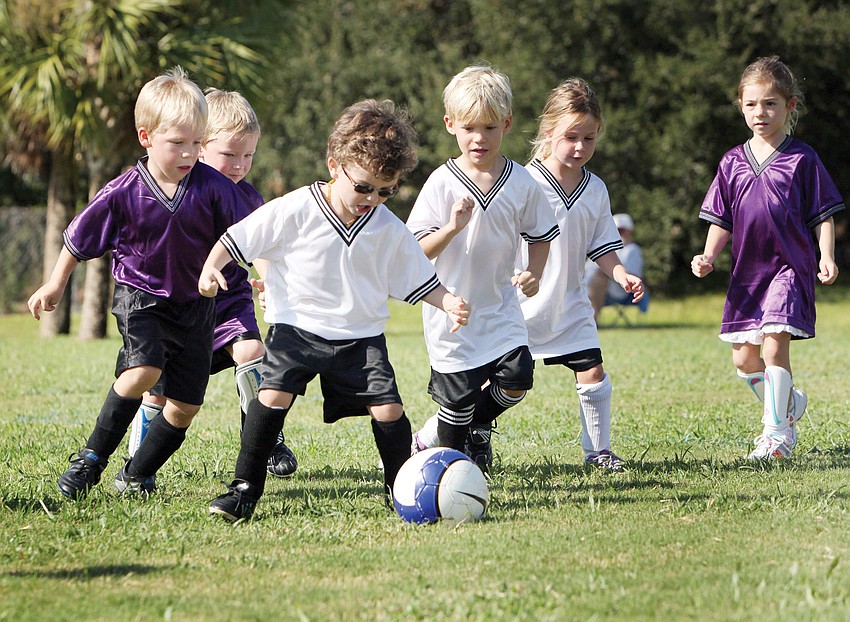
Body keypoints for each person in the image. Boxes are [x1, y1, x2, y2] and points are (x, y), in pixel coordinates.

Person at [199, 99, 470, 522]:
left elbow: (416, 276)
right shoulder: (296, 208)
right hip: (296, 330)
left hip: (361, 339)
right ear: (333, 164)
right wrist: (212, 267)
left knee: (389, 411)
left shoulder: (386, 228)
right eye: (362, 187)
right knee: (271, 396)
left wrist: (447, 300)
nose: (372, 199)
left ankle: (400, 488)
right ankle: (244, 490)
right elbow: (239, 239)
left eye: (386, 190)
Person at [27, 67, 252, 499]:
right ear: (146, 137)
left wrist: (264, 274)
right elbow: (78, 238)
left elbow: (248, 234)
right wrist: (55, 285)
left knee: (186, 406)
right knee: (143, 370)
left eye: (195, 144)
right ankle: (90, 459)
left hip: (197, 308)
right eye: (177, 144)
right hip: (141, 298)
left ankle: (137, 472)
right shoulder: (123, 191)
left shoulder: (214, 187)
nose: (189, 154)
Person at [127, 88, 298, 479]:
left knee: (253, 350)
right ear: (201, 147)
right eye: (229, 155)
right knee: (158, 389)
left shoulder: (248, 198)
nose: (239, 165)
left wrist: (271, 284)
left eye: (248, 155)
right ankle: (140, 460)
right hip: (180, 308)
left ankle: (264, 439)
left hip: (230, 301)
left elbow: (262, 250)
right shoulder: (177, 192)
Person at [406, 64, 559, 471]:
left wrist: (535, 272)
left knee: (517, 378)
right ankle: (448, 461)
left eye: (490, 127)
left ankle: (471, 428)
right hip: (451, 313)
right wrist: (452, 228)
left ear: (507, 124)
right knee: (455, 413)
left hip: (500, 308)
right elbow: (416, 250)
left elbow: (541, 235)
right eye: (470, 127)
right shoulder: (441, 182)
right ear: (450, 124)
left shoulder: (522, 182)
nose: (480, 138)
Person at [691, 56, 843, 460]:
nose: (761, 112)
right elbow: (721, 219)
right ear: (740, 105)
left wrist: (826, 255)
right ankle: (788, 405)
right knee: (744, 359)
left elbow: (822, 214)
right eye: (752, 104)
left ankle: (777, 437)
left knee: (776, 346)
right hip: (747, 274)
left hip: (789, 269)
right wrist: (707, 255)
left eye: (771, 103)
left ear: (790, 106)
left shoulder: (803, 159)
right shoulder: (731, 162)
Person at [520, 78, 644, 470]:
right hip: (518, 307)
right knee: (500, 382)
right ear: (548, 131)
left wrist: (621, 274)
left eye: (588, 138)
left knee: (592, 371)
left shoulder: (595, 189)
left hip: (570, 305)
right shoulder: (524, 182)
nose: (579, 147)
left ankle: (598, 451)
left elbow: (603, 246)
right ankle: (465, 438)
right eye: (571, 136)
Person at [586, 212, 644, 322]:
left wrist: (605, 273)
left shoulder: (632, 250)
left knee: (599, 278)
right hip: (587, 288)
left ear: (629, 232)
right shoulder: (599, 247)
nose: (618, 234)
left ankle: (594, 319)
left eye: (621, 231)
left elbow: (632, 278)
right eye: (615, 230)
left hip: (618, 292)